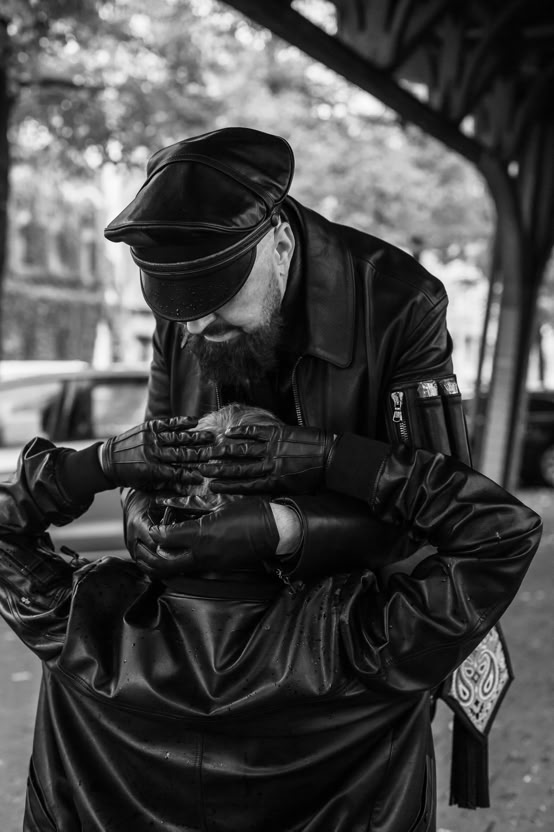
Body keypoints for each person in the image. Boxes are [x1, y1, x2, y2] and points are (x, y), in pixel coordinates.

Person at [104, 126, 502, 806]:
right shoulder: (187, 313)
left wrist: (289, 521)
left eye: (219, 299)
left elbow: (442, 514)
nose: (197, 329)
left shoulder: (402, 301)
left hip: (358, 634)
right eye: (181, 310)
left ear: (280, 244)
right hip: (221, 630)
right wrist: (140, 517)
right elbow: (156, 455)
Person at [0, 406, 542, 831]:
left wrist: (94, 464)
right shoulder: (361, 636)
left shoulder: (82, 621)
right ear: (292, 502)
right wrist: (334, 460)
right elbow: (502, 532)